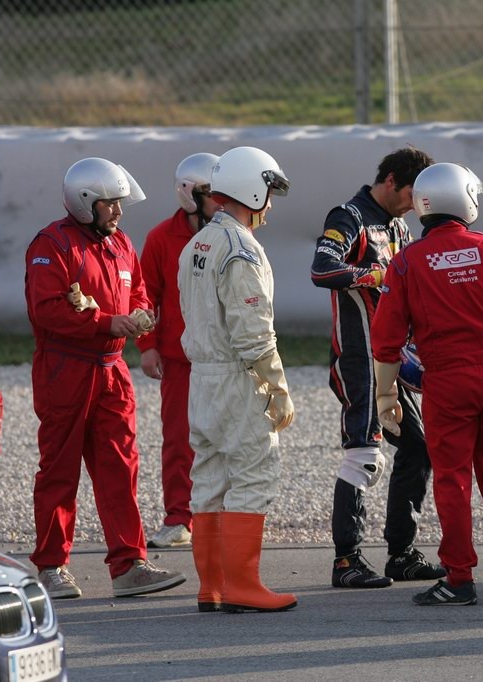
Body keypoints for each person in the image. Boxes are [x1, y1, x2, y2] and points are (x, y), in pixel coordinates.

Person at [370, 162, 483, 606]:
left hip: (447, 382)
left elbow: (387, 340)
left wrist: (386, 395)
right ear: (464, 200)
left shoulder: (408, 262)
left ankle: (460, 579)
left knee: (452, 480)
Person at [24, 157, 186, 599]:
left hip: (112, 370)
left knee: (121, 469)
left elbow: (137, 292)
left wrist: (141, 316)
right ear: (84, 203)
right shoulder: (52, 246)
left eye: (119, 203)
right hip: (65, 368)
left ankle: (129, 565)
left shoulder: (121, 245)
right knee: (59, 470)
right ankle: (52, 568)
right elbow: (47, 310)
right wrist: (106, 323)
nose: (117, 211)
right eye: (110, 204)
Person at [311, 147, 446, 588]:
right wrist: (373, 275)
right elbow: (321, 269)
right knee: (365, 455)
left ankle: (401, 554)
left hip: (392, 360)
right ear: (390, 181)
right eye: (410, 193)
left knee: (419, 447)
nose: (415, 204)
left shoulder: (401, 226)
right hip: (357, 358)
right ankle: (346, 561)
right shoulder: (348, 215)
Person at [178, 146, 297, 613]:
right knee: (253, 471)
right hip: (237, 377)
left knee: (209, 478)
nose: (269, 206)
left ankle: (213, 587)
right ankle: (244, 587)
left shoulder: (197, 244)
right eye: (268, 194)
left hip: (201, 380)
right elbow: (254, 332)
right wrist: (278, 388)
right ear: (252, 189)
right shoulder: (241, 249)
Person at [137, 153, 220, 549]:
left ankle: (225, 515)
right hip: (179, 359)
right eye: (212, 193)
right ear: (191, 194)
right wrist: (147, 346)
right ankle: (178, 517)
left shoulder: (232, 234)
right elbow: (143, 296)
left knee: (229, 437)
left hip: (225, 358)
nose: (221, 201)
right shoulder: (159, 238)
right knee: (178, 440)